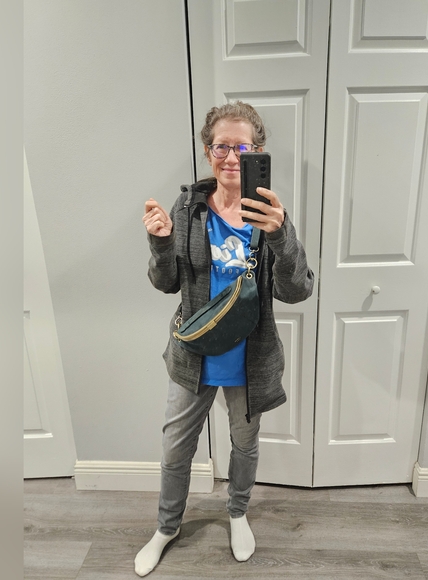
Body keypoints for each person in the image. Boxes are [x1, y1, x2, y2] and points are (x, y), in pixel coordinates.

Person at [134, 101, 314, 576]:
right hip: (193, 353)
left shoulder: (269, 214)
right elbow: (166, 282)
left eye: (243, 148)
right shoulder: (188, 208)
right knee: (176, 448)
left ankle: (237, 513)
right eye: (221, 147)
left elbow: (298, 290)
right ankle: (166, 527)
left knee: (244, 444)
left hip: (249, 358)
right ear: (207, 151)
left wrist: (280, 236)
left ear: (258, 151)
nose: (231, 157)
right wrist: (161, 242)